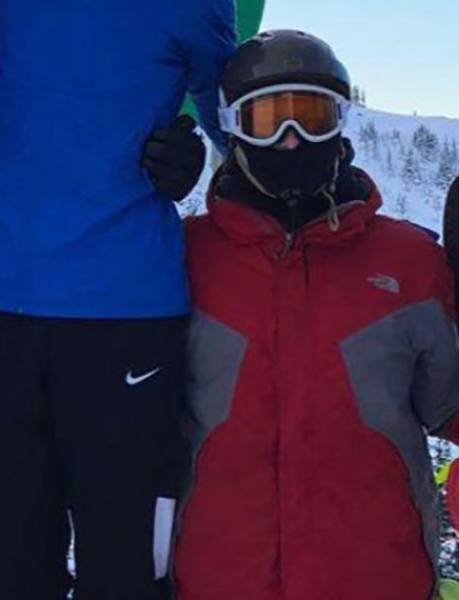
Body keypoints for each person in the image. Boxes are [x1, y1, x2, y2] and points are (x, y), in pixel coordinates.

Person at [0, 0, 236, 600]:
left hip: (125, 312)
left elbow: (234, 116)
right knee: (10, 559)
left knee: (123, 562)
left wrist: (195, 150)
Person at [175, 30, 459, 600]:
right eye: (266, 121)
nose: (290, 140)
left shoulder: (409, 263)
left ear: (341, 124)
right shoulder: (182, 257)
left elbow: (451, 407)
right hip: (220, 579)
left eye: (312, 116)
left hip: (377, 578)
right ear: (231, 128)